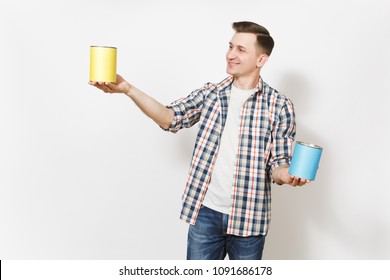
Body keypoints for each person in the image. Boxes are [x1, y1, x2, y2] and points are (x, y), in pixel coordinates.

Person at [89, 21, 310, 260]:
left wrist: (287, 175)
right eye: (231, 46)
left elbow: (279, 163)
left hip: (249, 219)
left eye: (241, 50)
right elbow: (168, 118)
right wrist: (128, 89)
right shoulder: (211, 93)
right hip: (205, 214)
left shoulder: (280, 106)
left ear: (261, 60)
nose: (230, 55)